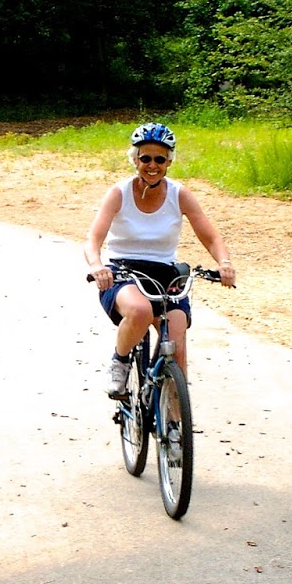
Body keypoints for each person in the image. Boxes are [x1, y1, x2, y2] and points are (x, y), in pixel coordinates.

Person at [84, 122, 237, 397]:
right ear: (134, 159)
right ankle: (120, 362)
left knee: (176, 346)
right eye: (145, 158)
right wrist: (97, 266)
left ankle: (175, 430)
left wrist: (224, 263)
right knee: (140, 311)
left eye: (159, 159)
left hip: (165, 274)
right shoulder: (119, 193)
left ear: (169, 162)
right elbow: (93, 239)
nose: (152, 165)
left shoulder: (180, 194)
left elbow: (210, 235)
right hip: (122, 272)